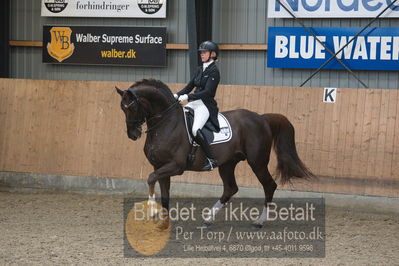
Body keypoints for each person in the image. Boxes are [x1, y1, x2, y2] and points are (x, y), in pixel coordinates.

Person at [174, 41, 221, 171]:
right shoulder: (200, 69)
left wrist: (189, 97)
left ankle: (212, 159)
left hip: (205, 105)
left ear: (213, 54)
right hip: (194, 102)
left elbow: (208, 93)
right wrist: (176, 95)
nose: (201, 54)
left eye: (204, 52)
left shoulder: (214, 72)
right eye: (201, 52)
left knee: (195, 129)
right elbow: (189, 86)